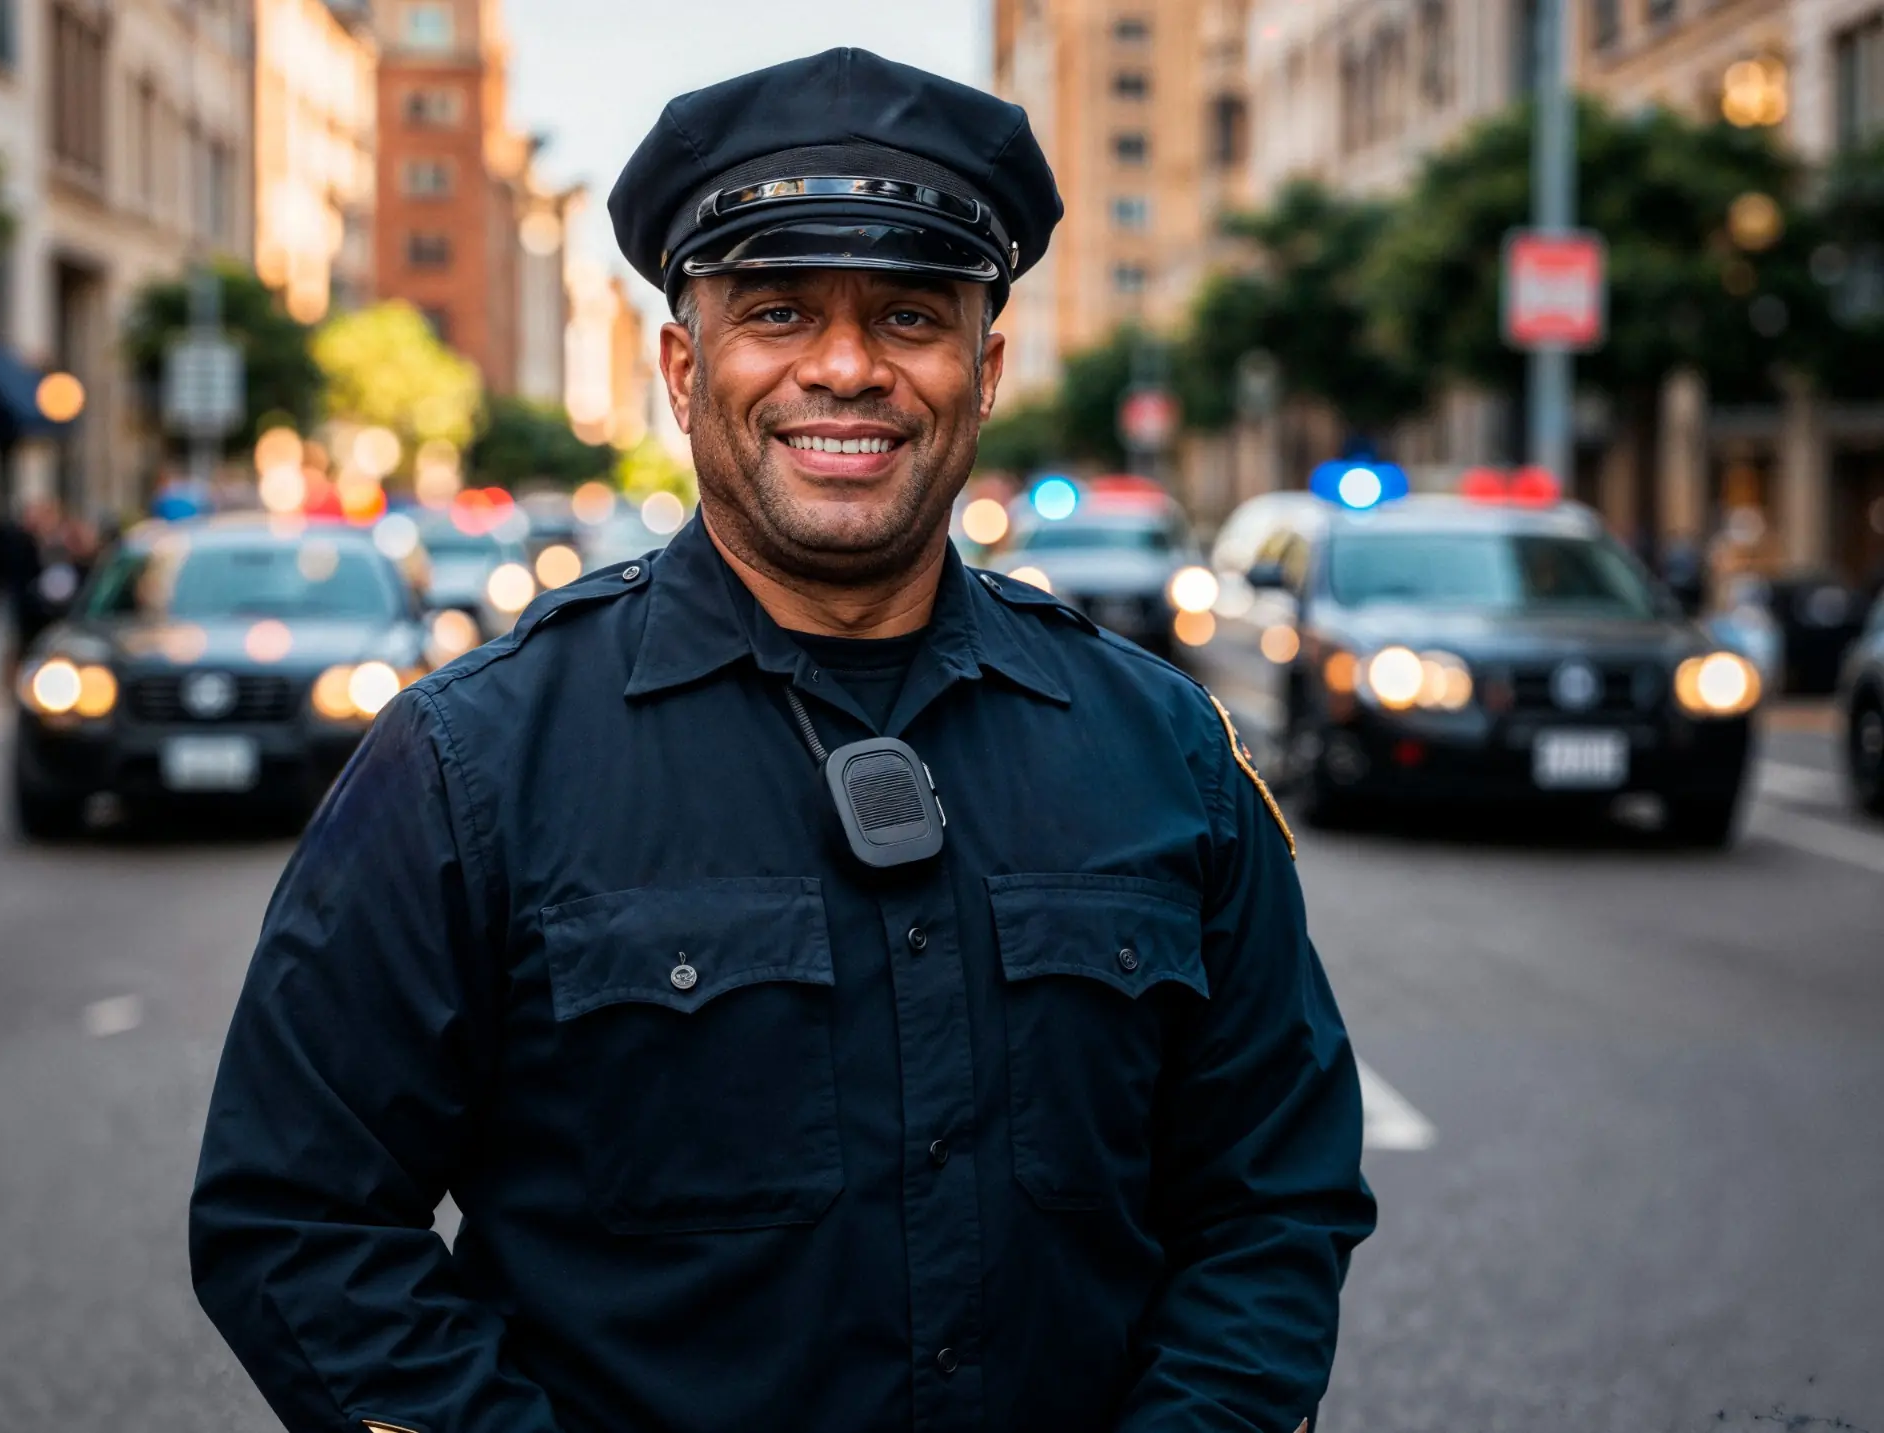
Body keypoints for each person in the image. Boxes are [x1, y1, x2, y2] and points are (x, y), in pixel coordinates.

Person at [190, 49, 1375, 1433]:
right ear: (684, 368)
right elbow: (298, 1218)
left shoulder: (1165, 749)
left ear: (983, 371)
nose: (847, 368)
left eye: (913, 317)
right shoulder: (468, 762)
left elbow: (1273, 1199)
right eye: (779, 312)